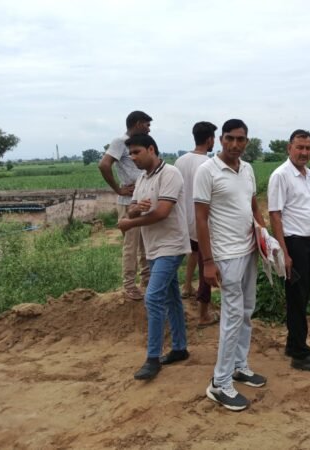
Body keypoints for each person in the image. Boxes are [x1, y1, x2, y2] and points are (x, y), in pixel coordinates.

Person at [195, 119, 267, 411]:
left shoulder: (247, 169)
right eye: (229, 138)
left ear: (247, 141)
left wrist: (263, 237)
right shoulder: (207, 171)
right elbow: (200, 219)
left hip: (249, 250)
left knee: (247, 310)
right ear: (220, 139)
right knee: (232, 315)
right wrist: (207, 262)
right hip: (225, 255)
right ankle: (220, 382)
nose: (235, 144)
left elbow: (252, 206)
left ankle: (239, 366)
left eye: (240, 139)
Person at [117, 134, 190, 381]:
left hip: (171, 245)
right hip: (153, 247)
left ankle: (152, 358)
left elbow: (162, 213)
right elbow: (133, 208)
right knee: (171, 298)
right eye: (130, 154)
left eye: (136, 152)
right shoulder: (142, 178)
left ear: (151, 149)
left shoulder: (170, 174)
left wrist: (129, 223)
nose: (133, 157)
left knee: (153, 297)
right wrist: (134, 210)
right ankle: (179, 348)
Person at [268, 129, 310, 373]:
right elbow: (275, 215)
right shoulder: (281, 175)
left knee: (302, 297)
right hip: (293, 243)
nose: (304, 152)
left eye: (308, 148)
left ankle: (293, 345)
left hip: (308, 243)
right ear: (289, 148)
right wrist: (284, 254)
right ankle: (300, 355)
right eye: (299, 147)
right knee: (296, 298)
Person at [99, 111, 152, 301]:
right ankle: (129, 286)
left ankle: (147, 282)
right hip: (129, 202)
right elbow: (104, 165)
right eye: (146, 125)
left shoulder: (139, 143)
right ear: (137, 124)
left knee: (146, 244)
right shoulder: (120, 142)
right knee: (131, 245)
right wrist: (118, 190)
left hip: (143, 201)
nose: (149, 129)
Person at [174, 121, 219, 328]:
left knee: (192, 253)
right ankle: (203, 314)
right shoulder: (209, 164)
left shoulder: (180, 161)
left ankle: (185, 287)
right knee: (206, 265)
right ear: (210, 139)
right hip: (202, 222)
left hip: (183, 220)